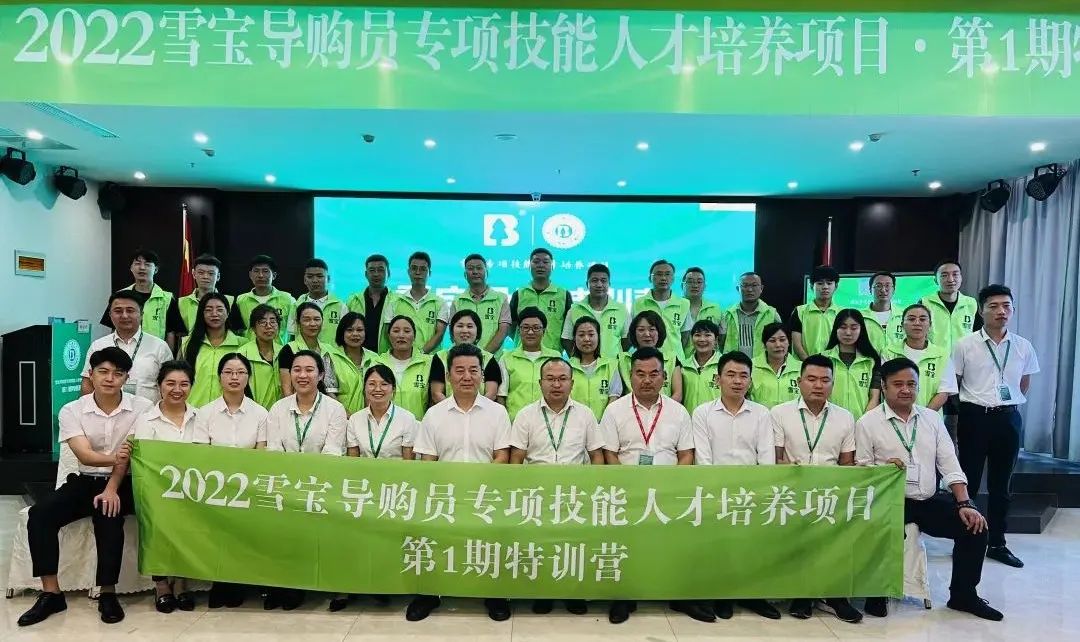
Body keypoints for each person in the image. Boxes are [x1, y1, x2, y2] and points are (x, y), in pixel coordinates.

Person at [856, 358, 1003, 621]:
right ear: (884, 387)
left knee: (975, 528)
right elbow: (862, 469)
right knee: (882, 531)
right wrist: (883, 469)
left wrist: (965, 504)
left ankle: (963, 595)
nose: (905, 390)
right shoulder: (868, 422)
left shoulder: (932, 419)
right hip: (888, 501)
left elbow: (950, 464)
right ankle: (877, 592)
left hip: (927, 498)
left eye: (911, 384)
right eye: (897, 384)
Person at [19, 347, 153, 627]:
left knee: (109, 516)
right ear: (91, 374)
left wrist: (112, 487)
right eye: (103, 372)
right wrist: (116, 457)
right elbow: (85, 455)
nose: (110, 378)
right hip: (84, 480)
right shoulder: (72, 410)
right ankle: (51, 593)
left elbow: (131, 457)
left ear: (126, 378)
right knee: (40, 515)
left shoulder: (142, 408)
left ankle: (108, 593)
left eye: (117, 373)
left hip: (124, 482)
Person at [409, 343, 513, 623]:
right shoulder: (434, 414)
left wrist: (476, 485)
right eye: (460, 371)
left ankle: (494, 594)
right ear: (448, 375)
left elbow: (502, 456)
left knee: (490, 544)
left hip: (486, 494)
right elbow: (428, 460)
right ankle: (429, 594)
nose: (467, 377)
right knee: (434, 542)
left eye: (473, 370)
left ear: (482, 375)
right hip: (445, 494)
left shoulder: (498, 413)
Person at [598, 347, 702, 624]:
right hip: (627, 493)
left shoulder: (679, 412)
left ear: (664, 377)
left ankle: (679, 596)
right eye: (640, 374)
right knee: (625, 547)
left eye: (654, 374)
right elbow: (610, 454)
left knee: (674, 546)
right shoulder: (614, 411)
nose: (647, 380)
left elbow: (686, 454)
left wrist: (673, 486)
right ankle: (623, 597)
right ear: (630, 376)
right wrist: (627, 486)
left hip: (668, 492)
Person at [769, 354, 862, 623]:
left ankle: (836, 596)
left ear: (833, 384)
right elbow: (775, 459)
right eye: (811, 379)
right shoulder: (779, 414)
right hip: (791, 492)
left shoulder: (845, 417)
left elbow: (847, 464)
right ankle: (802, 595)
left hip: (830, 495)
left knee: (841, 532)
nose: (818, 385)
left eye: (825, 380)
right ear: (799, 382)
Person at [510, 357, 604, 616]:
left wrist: (594, 489)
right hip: (536, 494)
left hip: (576, 495)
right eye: (550, 379)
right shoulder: (525, 415)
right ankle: (543, 593)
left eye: (562, 379)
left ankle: (573, 594)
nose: (556, 384)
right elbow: (516, 458)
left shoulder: (585, 415)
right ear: (540, 383)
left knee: (573, 546)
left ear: (572, 383)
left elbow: (596, 455)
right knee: (540, 546)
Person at [953, 284, 1039, 569]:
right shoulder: (964, 345)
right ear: (981, 310)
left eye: (1006, 306)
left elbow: (1023, 384)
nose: (1001, 311)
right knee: (969, 481)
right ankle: (966, 541)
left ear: (1012, 310)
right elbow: (955, 382)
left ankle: (998, 543)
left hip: (1008, 418)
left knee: (1002, 485)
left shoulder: (1023, 346)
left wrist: (1005, 403)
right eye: (994, 306)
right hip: (974, 417)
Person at [691, 351, 780, 621]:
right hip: (715, 493)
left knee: (752, 548)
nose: (737, 381)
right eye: (730, 374)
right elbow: (703, 459)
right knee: (721, 548)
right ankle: (723, 595)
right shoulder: (703, 413)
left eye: (743, 376)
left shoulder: (762, 414)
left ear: (750, 381)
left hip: (752, 494)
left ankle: (754, 596)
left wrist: (760, 493)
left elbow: (766, 457)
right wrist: (715, 494)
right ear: (718, 379)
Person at [263, 350, 348, 610]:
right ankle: (283, 584)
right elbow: (274, 450)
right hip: (285, 486)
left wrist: (306, 481)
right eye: (297, 369)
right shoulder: (278, 408)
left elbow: (332, 452)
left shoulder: (334, 409)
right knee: (283, 537)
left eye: (309, 370)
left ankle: (307, 585)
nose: (302, 375)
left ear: (320, 375)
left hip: (320, 486)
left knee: (315, 538)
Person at [334, 364, 419, 612]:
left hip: (395, 490)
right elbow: (353, 459)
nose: (377, 389)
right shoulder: (355, 420)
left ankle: (382, 586)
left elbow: (409, 462)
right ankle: (349, 586)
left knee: (387, 541)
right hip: (363, 490)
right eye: (371, 384)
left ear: (393, 389)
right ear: (364, 389)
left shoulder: (407, 419)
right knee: (355, 538)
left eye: (384, 384)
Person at [192, 352, 267, 609]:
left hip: (249, 486)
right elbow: (201, 453)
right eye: (228, 372)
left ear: (248, 377)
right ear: (219, 377)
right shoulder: (205, 413)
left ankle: (239, 582)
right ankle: (220, 582)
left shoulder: (260, 413)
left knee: (245, 534)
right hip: (215, 485)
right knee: (217, 535)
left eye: (240, 372)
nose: (234, 377)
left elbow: (261, 454)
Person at [132, 360, 199, 613]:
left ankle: (181, 583)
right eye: (170, 383)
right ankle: (161, 585)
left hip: (193, 489)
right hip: (157, 490)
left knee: (192, 521)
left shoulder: (200, 417)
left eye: (184, 384)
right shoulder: (146, 419)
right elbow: (145, 460)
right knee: (158, 519)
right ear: (159, 386)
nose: (177, 389)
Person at [82, 290, 173, 401]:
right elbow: (88, 383)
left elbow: (170, 384)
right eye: (118, 311)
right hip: (108, 410)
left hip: (148, 410)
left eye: (130, 310)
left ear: (142, 314)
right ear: (110, 315)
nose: (124, 316)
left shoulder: (159, 346)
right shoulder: (98, 345)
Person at [99, 248, 184, 350]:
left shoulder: (167, 299)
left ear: (156, 269)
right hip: (124, 351)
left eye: (147, 264)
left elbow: (171, 333)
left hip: (155, 352)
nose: (142, 268)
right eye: (137, 264)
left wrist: (167, 357)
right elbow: (113, 327)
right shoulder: (120, 296)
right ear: (131, 268)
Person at [880, 303, 957, 411]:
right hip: (894, 415)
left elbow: (943, 392)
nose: (917, 323)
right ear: (902, 325)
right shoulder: (889, 352)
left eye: (922, 319)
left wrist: (923, 417)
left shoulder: (942, 355)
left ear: (930, 325)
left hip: (929, 417)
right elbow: (885, 387)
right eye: (911, 319)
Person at [497, 307, 562, 420]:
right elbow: (501, 395)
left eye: (536, 328)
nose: (530, 332)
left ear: (544, 331)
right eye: (525, 327)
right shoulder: (507, 358)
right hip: (516, 421)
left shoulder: (555, 357)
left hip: (549, 421)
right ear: (519, 330)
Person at [182, 293, 245, 407]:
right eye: (208, 310)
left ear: (228, 313)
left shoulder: (242, 345)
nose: (214, 314)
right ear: (202, 314)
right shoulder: (188, 343)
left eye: (220, 309)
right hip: (194, 409)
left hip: (228, 410)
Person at [378, 315, 443, 420]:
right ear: (389, 336)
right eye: (396, 331)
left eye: (407, 331)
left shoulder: (430, 362)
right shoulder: (377, 363)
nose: (401, 335)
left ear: (414, 336)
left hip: (419, 426)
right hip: (385, 427)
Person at [382, 251, 449, 353]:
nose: (418, 272)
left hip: (430, 359)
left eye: (423, 269)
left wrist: (420, 355)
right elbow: (388, 332)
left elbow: (439, 334)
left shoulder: (440, 303)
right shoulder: (394, 302)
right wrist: (406, 355)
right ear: (408, 271)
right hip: (401, 358)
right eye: (414, 268)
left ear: (429, 273)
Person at [821, 309, 882, 419]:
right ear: (835, 329)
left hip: (862, 422)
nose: (848, 333)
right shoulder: (823, 359)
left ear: (861, 330)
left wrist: (863, 422)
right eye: (843, 327)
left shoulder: (872, 361)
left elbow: (874, 397)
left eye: (854, 328)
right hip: (829, 422)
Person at [510, 248, 572, 353]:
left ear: (552, 266)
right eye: (536, 262)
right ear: (529, 266)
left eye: (545, 262)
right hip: (522, 355)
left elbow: (569, 329)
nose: (541, 265)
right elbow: (511, 327)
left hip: (552, 355)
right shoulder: (519, 294)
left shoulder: (563, 295)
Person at [562, 263, 629, 358]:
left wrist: (616, 358)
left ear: (609, 284)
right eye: (594, 280)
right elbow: (567, 339)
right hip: (583, 365)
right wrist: (577, 359)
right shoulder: (574, 309)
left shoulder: (621, 309)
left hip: (613, 365)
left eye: (603, 281)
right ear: (587, 284)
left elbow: (626, 340)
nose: (599, 285)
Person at [449, 253, 511, 355]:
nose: (475, 272)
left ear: (487, 272)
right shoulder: (457, 300)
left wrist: (483, 356)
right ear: (465, 275)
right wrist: (469, 357)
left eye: (479, 268)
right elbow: (453, 333)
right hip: (464, 360)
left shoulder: (501, 299)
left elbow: (503, 331)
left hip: (493, 359)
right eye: (470, 268)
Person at [435, 309, 503, 400]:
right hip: (446, 408)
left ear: (478, 331)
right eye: (460, 326)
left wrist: (476, 408)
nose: (465, 330)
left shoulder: (489, 359)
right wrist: (453, 408)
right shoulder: (439, 357)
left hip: (482, 408)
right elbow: (436, 393)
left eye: (470, 326)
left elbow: (491, 393)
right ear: (452, 330)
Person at [632, 259, 692, 361]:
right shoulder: (638, 303)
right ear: (650, 278)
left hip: (675, 361)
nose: (663, 278)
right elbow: (633, 333)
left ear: (673, 279)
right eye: (659, 274)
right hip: (647, 360)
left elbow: (685, 336)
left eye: (667, 274)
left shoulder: (684, 304)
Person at [619, 310, 683, 403]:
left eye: (652, 329)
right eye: (641, 330)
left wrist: (661, 408)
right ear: (634, 333)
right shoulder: (622, 360)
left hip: (665, 409)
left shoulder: (672, 359)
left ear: (659, 332)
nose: (647, 334)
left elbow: (678, 394)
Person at [277, 302, 339, 398]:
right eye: (307, 320)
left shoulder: (328, 350)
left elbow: (330, 388)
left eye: (317, 319)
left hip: (325, 403)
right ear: (298, 323)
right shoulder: (289, 350)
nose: (312, 324)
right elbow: (287, 391)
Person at [567, 316, 623, 421]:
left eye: (591, 334)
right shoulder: (567, 367)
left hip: (604, 425)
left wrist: (603, 424)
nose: (586, 339)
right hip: (574, 425)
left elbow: (614, 399)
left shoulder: (611, 366)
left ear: (598, 337)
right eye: (581, 335)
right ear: (574, 338)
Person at [325, 312, 380, 415]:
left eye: (359, 330)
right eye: (349, 330)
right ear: (342, 332)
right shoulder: (331, 357)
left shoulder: (375, 358)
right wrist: (348, 416)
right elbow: (329, 393)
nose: (355, 334)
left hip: (371, 418)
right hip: (340, 417)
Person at [233, 254, 295, 343]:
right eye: (256, 271)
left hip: (280, 350)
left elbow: (294, 332)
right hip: (249, 350)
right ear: (250, 275)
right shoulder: (240, 300)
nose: (260, 275)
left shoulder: (288, 300)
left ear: (274, 275)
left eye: (265, 271)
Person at [921, 260, 978, 355]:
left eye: (955, 274)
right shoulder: (924, 303)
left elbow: (978, 335)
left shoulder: (972, 303)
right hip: (934, 360)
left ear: (961, 278)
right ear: (935, 280)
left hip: (965, 359)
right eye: (944, 275)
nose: (951, 279)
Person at [722, 272, 781, 359]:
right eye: (745, 285)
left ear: (761, 288)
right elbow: (721, 342)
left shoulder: (772, 314)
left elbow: (780, 342)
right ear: (738, 289)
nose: (750, 289)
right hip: (733, 364)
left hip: (763, 364)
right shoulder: (727, 314)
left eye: (754, 285)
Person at [236, 304, 284, 410]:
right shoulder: (243, 354)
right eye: (262, 322)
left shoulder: (284, 352)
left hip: (280, 413)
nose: (269, 326)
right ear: (253, 328)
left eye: (273, 321)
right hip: (252, 413)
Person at [289, 258, 347, 344]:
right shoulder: (297, 305)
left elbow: (346, 337)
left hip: (332, 353)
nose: (315, 280)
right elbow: (292, 336)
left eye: (319, 276)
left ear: (328, 279)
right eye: (310, 277)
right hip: (303, 352)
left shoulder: (341, 306)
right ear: (305, 280)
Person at [790, 265, 841, 360]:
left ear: (836, 286)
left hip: (833, 365)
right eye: (820, 283)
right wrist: (809, 363)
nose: (825, 287)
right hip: (804, 365)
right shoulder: (799, 311)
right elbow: (796, 344)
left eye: (829, 283)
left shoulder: (841, 313)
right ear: (811, 286)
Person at [347, 254, 395, 353]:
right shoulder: (353, 301)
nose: (376, 274)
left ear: (388, 273)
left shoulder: (397, 301)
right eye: (372, 270)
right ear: (366, 274)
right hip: (358, 357)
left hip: (386, 358)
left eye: (380, 270)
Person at [178, 254, 234, 335]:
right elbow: (178, 333)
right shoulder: (181, 303)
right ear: (194, 274)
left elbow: (235, 330)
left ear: (218, 276)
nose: (205, 277)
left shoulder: (230, 301)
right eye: (201, 273)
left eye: (211, 273)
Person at [749, 323, 802, 409]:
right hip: (759, 417)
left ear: (789, 342)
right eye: (772, 341)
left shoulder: (802, 368)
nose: (778, 345)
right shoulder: (751, 366)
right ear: (764, 345)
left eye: (782, 340)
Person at [681, 320, 722, 413]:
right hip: (689, 419)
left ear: (716, 340)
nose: (702, 339)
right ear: (691, 339)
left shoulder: (724, 366)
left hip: (716, 419)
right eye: (697, 335)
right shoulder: (683, 366)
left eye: (707, 335)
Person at [681, 267, 724, 357]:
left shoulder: (715, 309)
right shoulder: (675, 307)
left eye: (699, 282)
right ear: (682, 285)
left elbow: (722, 338)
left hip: (710, 361)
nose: (695, 285)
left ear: (705, 286)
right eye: (690, 281)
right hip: (681, 360)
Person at [861, 271, 905, 354]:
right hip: (870, 361)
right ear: (870, 290)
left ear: (894, 290)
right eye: (878, 286)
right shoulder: (860, 317)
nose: (883, 290)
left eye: (887, 285)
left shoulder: (904, 316)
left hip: (898, 361)